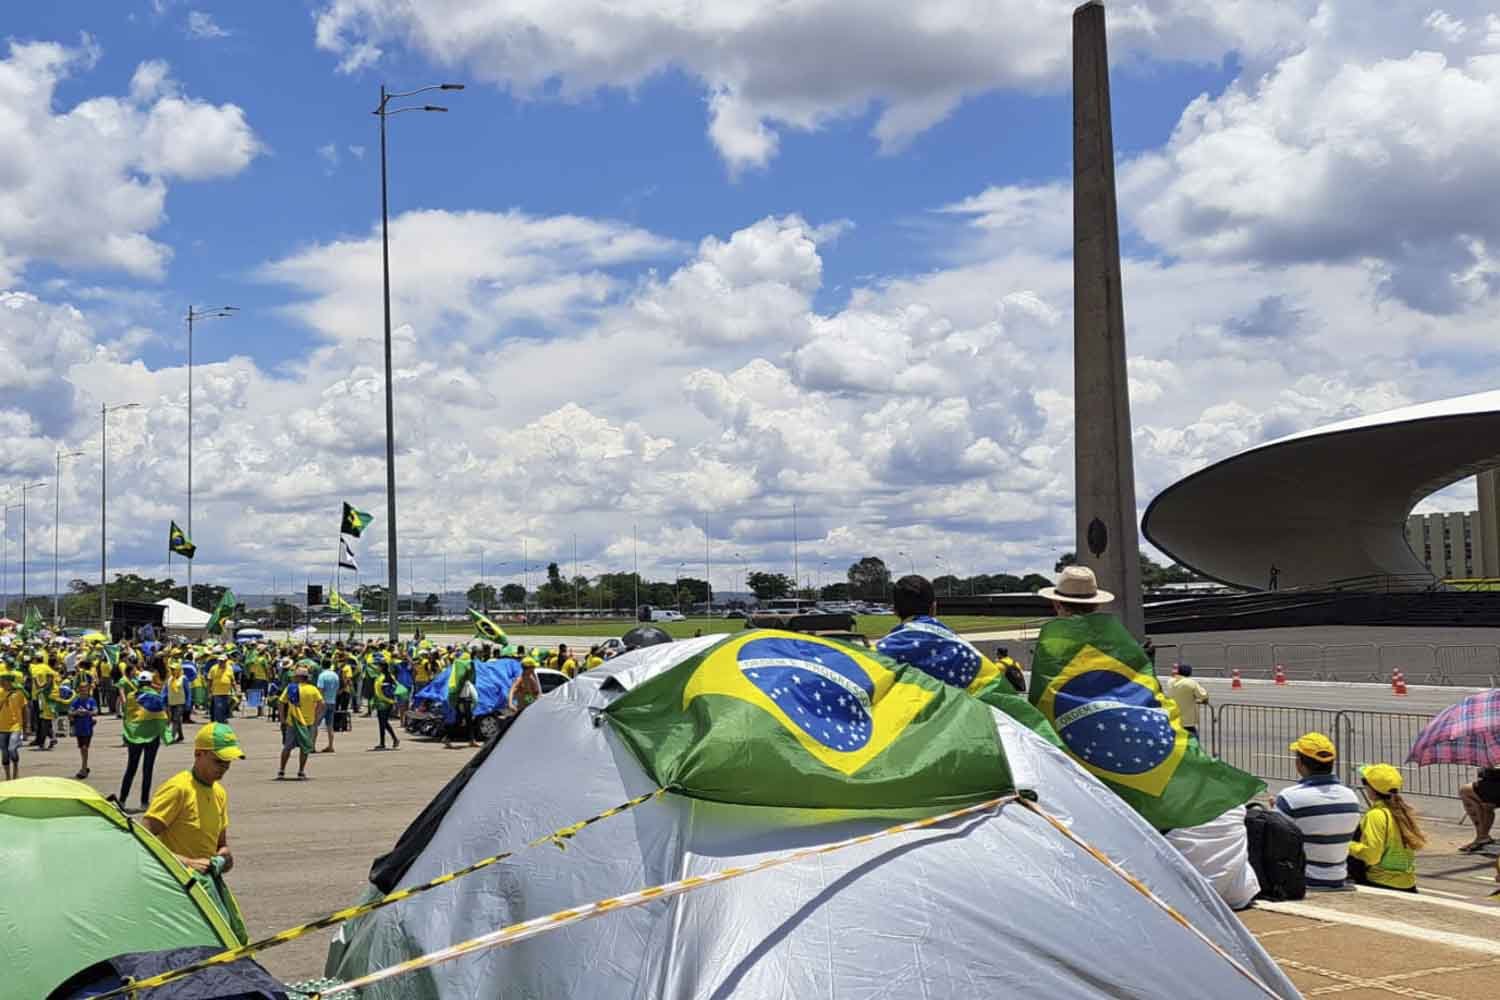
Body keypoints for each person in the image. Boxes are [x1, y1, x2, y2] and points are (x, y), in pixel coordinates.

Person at [143, 723, 243, 874]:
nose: (224, 767)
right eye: (218, 761)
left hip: (204, 884)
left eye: (228, 761)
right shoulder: (178, 789)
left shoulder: (219, 793)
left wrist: (225, 856)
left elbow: (220, 844)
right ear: (198, 754)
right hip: (177, 883)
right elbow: (141, 839)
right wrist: (187, 863)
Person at [1273, 732, 1362, 889]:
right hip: (1338, 877)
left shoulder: (1289, 797)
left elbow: (1276, 842)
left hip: (1305, 879)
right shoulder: (1352, 797)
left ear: (1299, 763)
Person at [1348, 763, 1426, 892]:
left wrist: (1347, 845)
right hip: (1407, 884)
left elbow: (1372, 856)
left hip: (1380, 882)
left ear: (1372, 788)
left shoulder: (1376, 815)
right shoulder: (1401, 811)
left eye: (1364, 781)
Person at [118, 670, 172, 813]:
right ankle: (144, 802)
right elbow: (163, 717)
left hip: (134, 736)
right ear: (150, 682)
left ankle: (122, 800)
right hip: (152, 736)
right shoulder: (156, 697)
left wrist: (127, 732)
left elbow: (127, 715)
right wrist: (166, 735)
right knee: (147, 769)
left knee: (131, 768)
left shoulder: (131, 696)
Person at [277, 664, 324, 780]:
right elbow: (321, 704)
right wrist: (316, 717)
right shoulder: (312, 689)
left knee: (287, 747)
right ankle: (301, 771)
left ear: (298, 678)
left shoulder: (291, 688)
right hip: (307, 723)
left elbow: (281, 702)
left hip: (292, 721)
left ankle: (282, 770)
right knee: (304, 748)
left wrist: (282, 718)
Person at [1458, 766, 1500, 853]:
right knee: (1486, 806)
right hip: (1492, 786)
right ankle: (1482, 836)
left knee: (1465, 791)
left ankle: (1482, 837)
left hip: (1494, 785)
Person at [1166, 664, 1210, 739]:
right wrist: (1203, 700)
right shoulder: (1190, 683)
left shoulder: (1170, 682)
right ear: (1190, 673)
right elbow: (1204, 695)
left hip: (1173, 717)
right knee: (1193, 740)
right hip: (1186, 720)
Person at [1, 670, 29, 780]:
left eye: (3, 680)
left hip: (15, 726)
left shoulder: (19, 693)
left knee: (12, 748)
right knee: (4, 752)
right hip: (1, 727)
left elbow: (25, 709)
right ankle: (8, 776)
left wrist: (27, 726)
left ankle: (16, 770)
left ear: (9, 682)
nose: (1, 682)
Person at [370, 664, 402, 751]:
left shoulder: (380, 678)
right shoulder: (390, 676)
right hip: (389, 702)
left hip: (383, 702)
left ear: (381, 667)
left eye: (378, 666)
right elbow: (398, 686)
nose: (376, 667)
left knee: (382, 723)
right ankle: (394, 739)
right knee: (384, 723)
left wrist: (382, 700)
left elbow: (378, 692)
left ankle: (383, 743)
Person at [70, 677, 98, 779]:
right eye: (81, 689)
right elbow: (70, 713)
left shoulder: (91, 700)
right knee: (82, 749)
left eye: (85, 689)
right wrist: (77, 712)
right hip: (79, 728)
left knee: (84, 748)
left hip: (87, 728)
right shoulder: (76, 701)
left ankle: (83, 768)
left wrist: (87, 712)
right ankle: (84, 766)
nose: (83, 691)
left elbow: (95, 711)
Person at [316, 659, 342, 753]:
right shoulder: (335, 675)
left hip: (323, 702)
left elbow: (320, 689)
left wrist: (319, 701)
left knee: (315, 724)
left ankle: (312, 746)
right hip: (332, 701)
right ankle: (330, 746)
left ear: (322, 665)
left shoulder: (322, 675)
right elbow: (337, 688)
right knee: (330, 725)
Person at [166, 660, 188, 743]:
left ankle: (171, 737)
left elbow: (187, 692)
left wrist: (188, 703)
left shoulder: (183, 678)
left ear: (178, 670)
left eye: (174, 669)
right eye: (171, 669)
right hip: (171, 702)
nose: (172, 671)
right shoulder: (169, 679)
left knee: (175, 719)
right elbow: (166, 690)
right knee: (177, 720)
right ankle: (181, 736)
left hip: (180, 703)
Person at [208, 656, 235, 723]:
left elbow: (232, 680)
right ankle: (219, 722)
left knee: (225, 708)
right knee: (218, 708)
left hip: (227, 692)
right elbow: (210, 680)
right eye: (220, 661)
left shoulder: (229, 668)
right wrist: (209, 691)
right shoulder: (213, 668)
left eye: (223, 661)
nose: (221, 662)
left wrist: (235, 690)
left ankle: (223, 719)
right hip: (216, 692)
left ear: (226, 661)